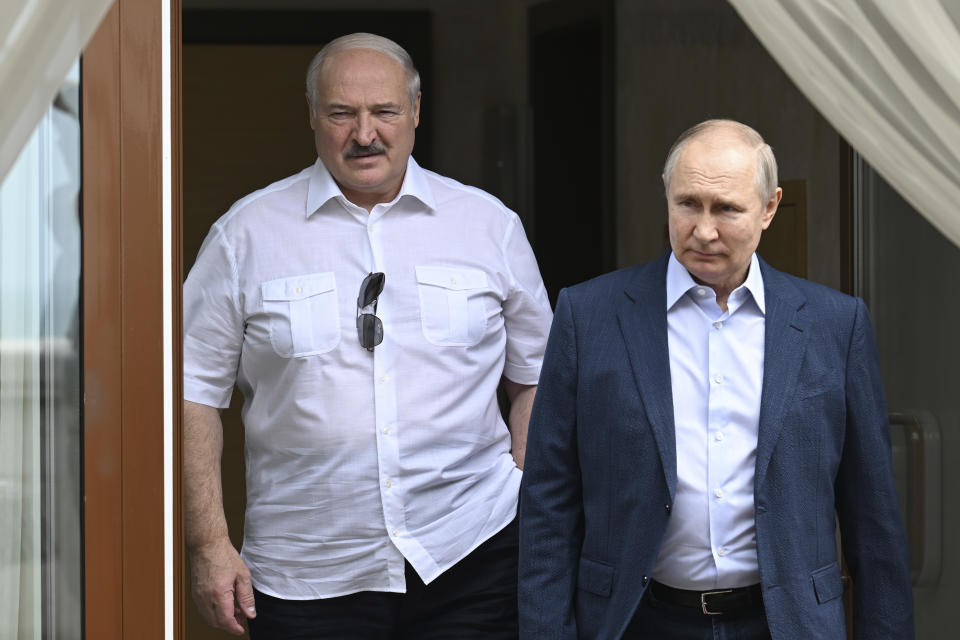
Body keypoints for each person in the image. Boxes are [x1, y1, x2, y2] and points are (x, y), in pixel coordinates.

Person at [183, 32, 552, 638]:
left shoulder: (488, 225)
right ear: (311, 116)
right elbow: (192, 392)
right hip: (306, 570)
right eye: (341, 114)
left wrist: (524, 490)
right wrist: (208, 545)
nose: (364, 134)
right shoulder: (244, 235)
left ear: (414, 112)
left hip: (473, 556)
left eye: (383, 111)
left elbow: (538, 375)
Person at [518, 119, 914, 639]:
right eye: (688, 204)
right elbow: (549, 503)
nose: (703, 230)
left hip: (786, 623)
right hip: (637, 620)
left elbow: (874, 520)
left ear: (769, 208)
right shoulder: (588, 316)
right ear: (666, 195)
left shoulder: (834, 325)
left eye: (726, 208)